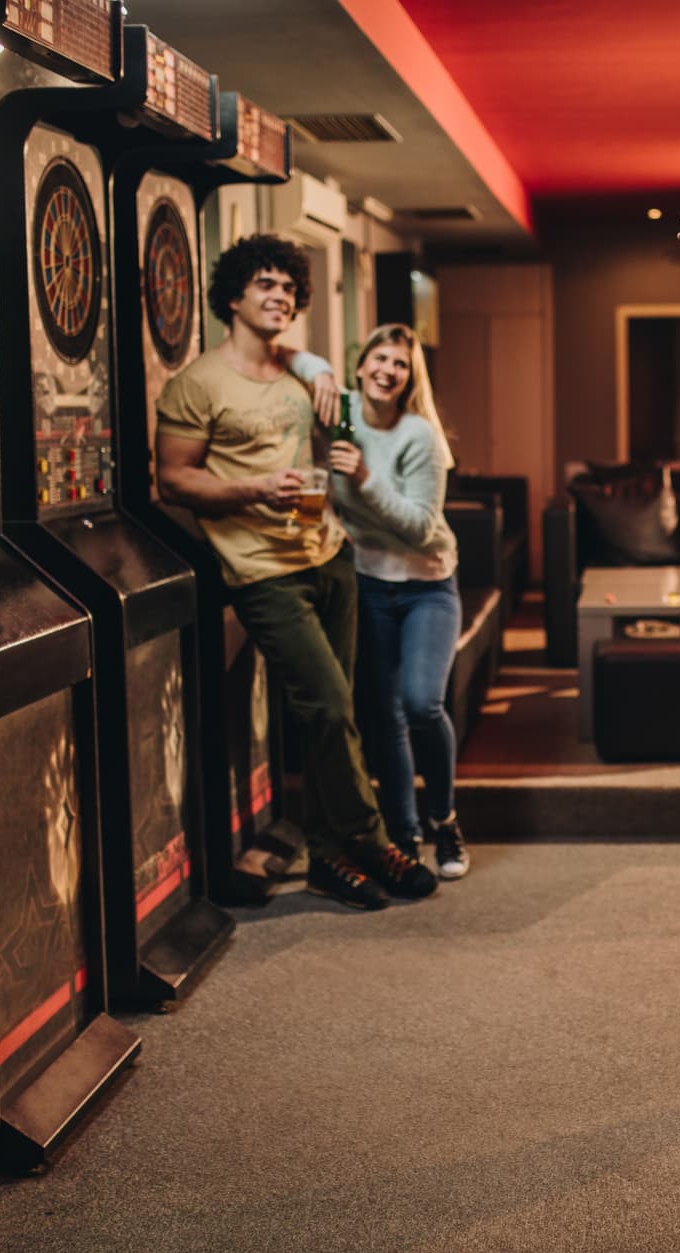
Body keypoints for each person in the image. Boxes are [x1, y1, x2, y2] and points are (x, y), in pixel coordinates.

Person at [154, 233, 437, 912]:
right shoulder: (197, 383)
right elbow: (172, 480)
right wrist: (256, 489)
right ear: (233, 296)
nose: (279, 295)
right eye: (265, 284)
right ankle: (369, 839)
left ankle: (327, 861)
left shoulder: (298, 374)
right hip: (261, 571)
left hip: (327, 556)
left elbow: (329, 434)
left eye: (288, 287)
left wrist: (317, 372)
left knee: (327, 716)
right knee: (331, 705)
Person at [327, 323, 471, 880]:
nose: (388, 370)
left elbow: (419, 527)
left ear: (411, 380)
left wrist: (364, 479)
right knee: (380, 716)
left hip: (426, 583)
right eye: (379, 359)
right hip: (365, 583)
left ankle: (445, 820)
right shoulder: (338, 413)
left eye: (401, 365)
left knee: (419, 703)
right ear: (360, 365)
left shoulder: (420, 436)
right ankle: (404, 834)